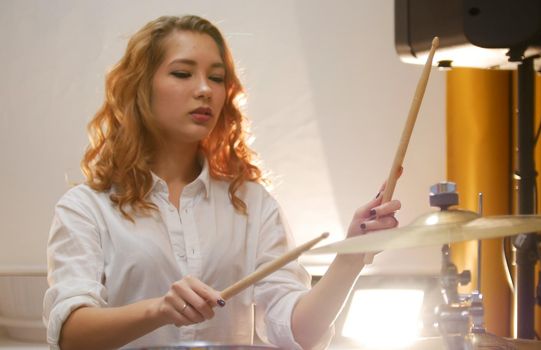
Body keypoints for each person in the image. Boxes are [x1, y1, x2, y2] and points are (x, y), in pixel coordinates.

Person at [43, 15, 401, 350]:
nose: (205, 90)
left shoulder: (251, 202)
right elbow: (71, 333)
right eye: (183, 73)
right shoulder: (87, 207)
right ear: (141, 88)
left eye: (216, 78)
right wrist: (159, 310)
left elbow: (299, 332)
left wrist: (351, 257)